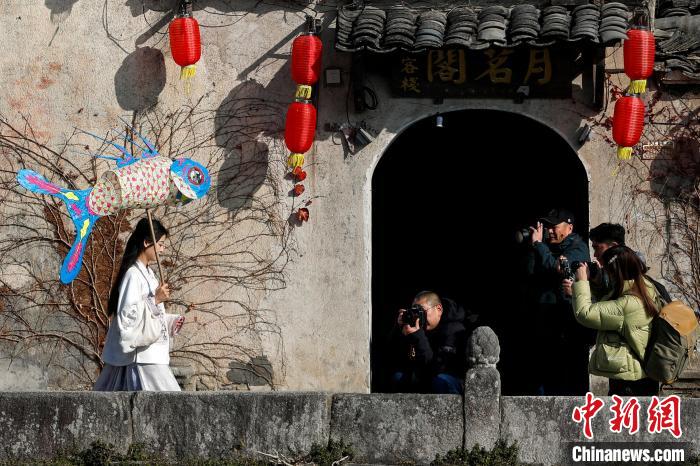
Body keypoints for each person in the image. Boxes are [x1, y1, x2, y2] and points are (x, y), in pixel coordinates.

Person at [94, 217, 185, 391]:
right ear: (146, 242)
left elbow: (150, 315)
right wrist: (155, 299)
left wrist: (170, 320)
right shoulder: (133, 275)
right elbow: (127, 316)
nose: (162, 250)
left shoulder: (149, 274)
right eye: (160, 244)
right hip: (142, 357)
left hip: (149, 354)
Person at [570, 245, 662, 396]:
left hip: (631, 382)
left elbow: (584, 313)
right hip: (641, 375)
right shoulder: (646, 287)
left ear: (614, 272)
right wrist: (597, 282)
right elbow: (607, 303)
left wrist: (581, 282)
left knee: (627, 419)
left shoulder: (627, 305)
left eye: (605, 269)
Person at [526, 208, 592, 395]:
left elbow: (559, 267)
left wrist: (539, 245)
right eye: (547, 227)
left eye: (554, 226)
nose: (549, 231)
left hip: (567, 325)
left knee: (566, 379)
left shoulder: (578, 248)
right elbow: (530, 275)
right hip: (544, 323)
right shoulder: (547, 248)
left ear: (569, 228)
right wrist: (534, 248)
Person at [389, 291, 467, 394]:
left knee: (440, 381)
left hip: (448, 377)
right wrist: (399, 330)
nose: (419, 317)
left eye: (422, 311)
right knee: (398, 378)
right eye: (415, 312)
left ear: (439, 309)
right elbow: (391, 359)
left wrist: (418, 336)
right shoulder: (419, 329)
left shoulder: (454, 330)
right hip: (426, 375)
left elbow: (437, 369)